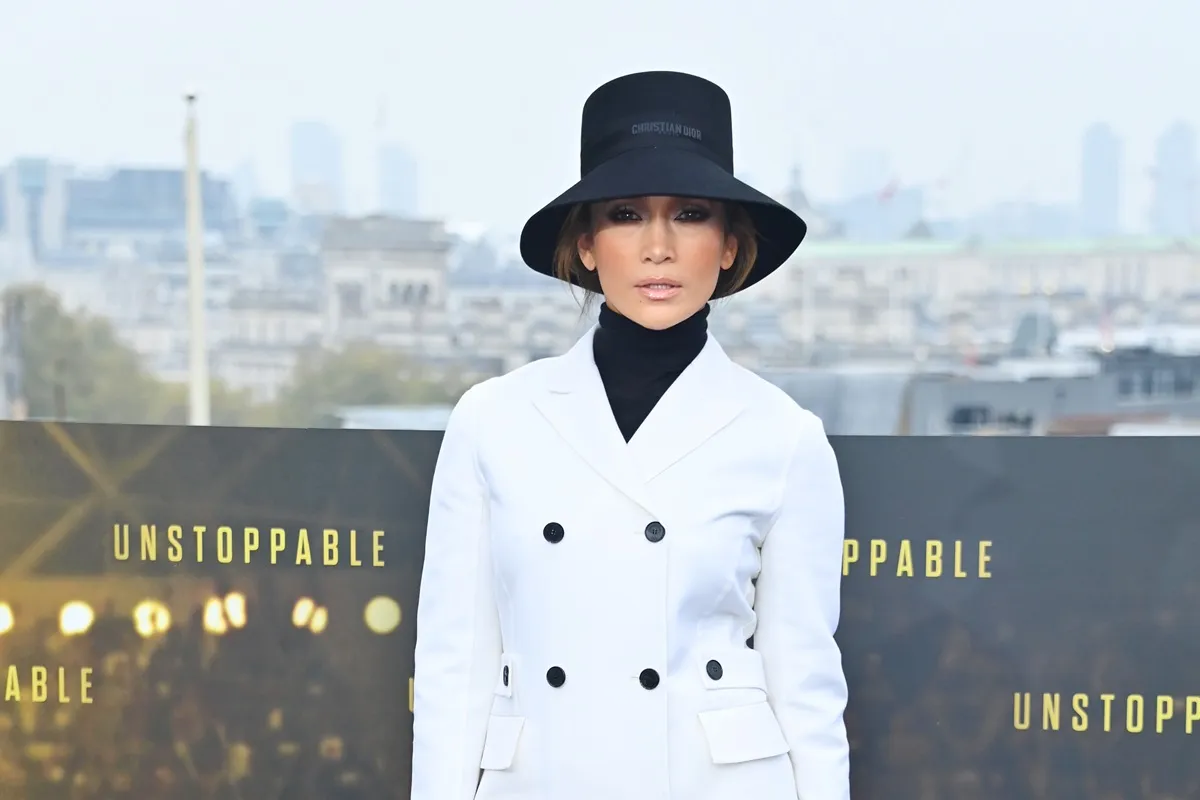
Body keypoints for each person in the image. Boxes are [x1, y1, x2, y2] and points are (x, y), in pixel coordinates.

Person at [412, 70, 849, 800]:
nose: (657, 247)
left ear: (730, 246)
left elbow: (805, 689)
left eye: (688, 214)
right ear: (584, 245)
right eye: (624, 214)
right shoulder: (492, 421)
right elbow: (457, 673)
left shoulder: (785, 439)